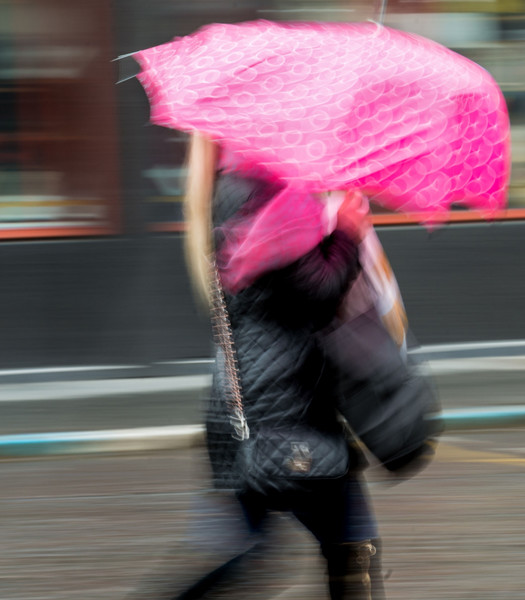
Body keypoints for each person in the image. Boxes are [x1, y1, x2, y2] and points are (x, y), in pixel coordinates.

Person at [132, 133, 386, 600]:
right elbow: (317, 293)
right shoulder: (277, 200)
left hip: (244, 405)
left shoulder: (229, 190)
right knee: (353, 546)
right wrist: (348, 230)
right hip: (288, 410)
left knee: (244, 548)